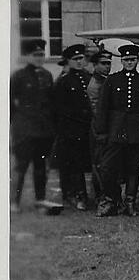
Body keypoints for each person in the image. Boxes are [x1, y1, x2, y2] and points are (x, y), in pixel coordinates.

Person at [94, 44, 139, 216]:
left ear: (137, 61)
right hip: (115, 131)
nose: (129, 63)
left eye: (132, 60)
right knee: (107, 168)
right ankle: (112, 200)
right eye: (126, 60)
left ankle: (130, 202)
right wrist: (101, 131)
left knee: (133, 168)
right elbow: (103, 107)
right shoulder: (112, 80)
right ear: (121, 61)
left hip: (136, 131)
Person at [11, 39, 57, 214]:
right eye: (36, 55)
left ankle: (40, 199)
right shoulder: (19, 76)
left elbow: (50, 104)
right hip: (25, 131)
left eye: (42, 54)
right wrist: (18, 124)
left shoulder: (47, 75)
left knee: (40, 167)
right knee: (21, 167)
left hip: (43, 131)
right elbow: (9, 104)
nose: (39, 58)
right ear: (28, 56)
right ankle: (14, 202)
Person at [51, 44, 94, 211]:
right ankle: (78, 196)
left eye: (81, 58)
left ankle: (87, 196)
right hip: (70, 130)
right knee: (74, 165)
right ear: (68, 61)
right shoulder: (64, 81)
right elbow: (58, 109)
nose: (78, 62)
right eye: (75, 59)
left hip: (87, 128)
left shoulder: (89, 78)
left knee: (87, 163)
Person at [87, 50, 112, 204]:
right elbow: (97, 112)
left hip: (107, 128)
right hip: (100, 129)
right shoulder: (95, 85)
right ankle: (101, 197)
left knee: (107, 164)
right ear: (95, 65)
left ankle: (107, 196)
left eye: (109, 63)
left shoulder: (105, 81)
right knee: (100, 164)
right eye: (103, 63)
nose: (107, 67)